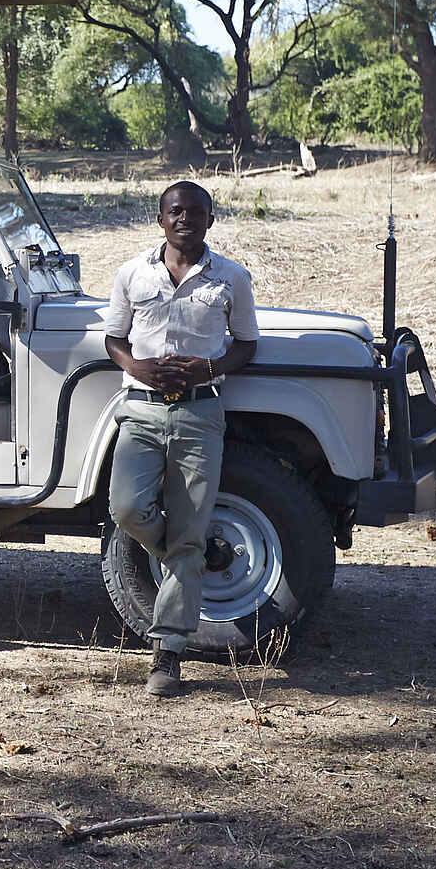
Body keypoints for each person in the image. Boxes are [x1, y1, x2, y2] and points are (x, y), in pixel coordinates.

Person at [102, 181, 258, 697]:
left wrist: (208, 367)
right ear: (160, 218)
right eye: (175, 211)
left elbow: (246, 345)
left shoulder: (232, 277)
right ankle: (183, 555)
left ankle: (167, 653)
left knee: (192, 530)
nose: (184, 219)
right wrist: (138, 368)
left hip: (200, 413)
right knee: (126, 508)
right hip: (141, 411)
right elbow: (114, 338)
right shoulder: (132, 272)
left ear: (209, 219)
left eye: (195, 212)